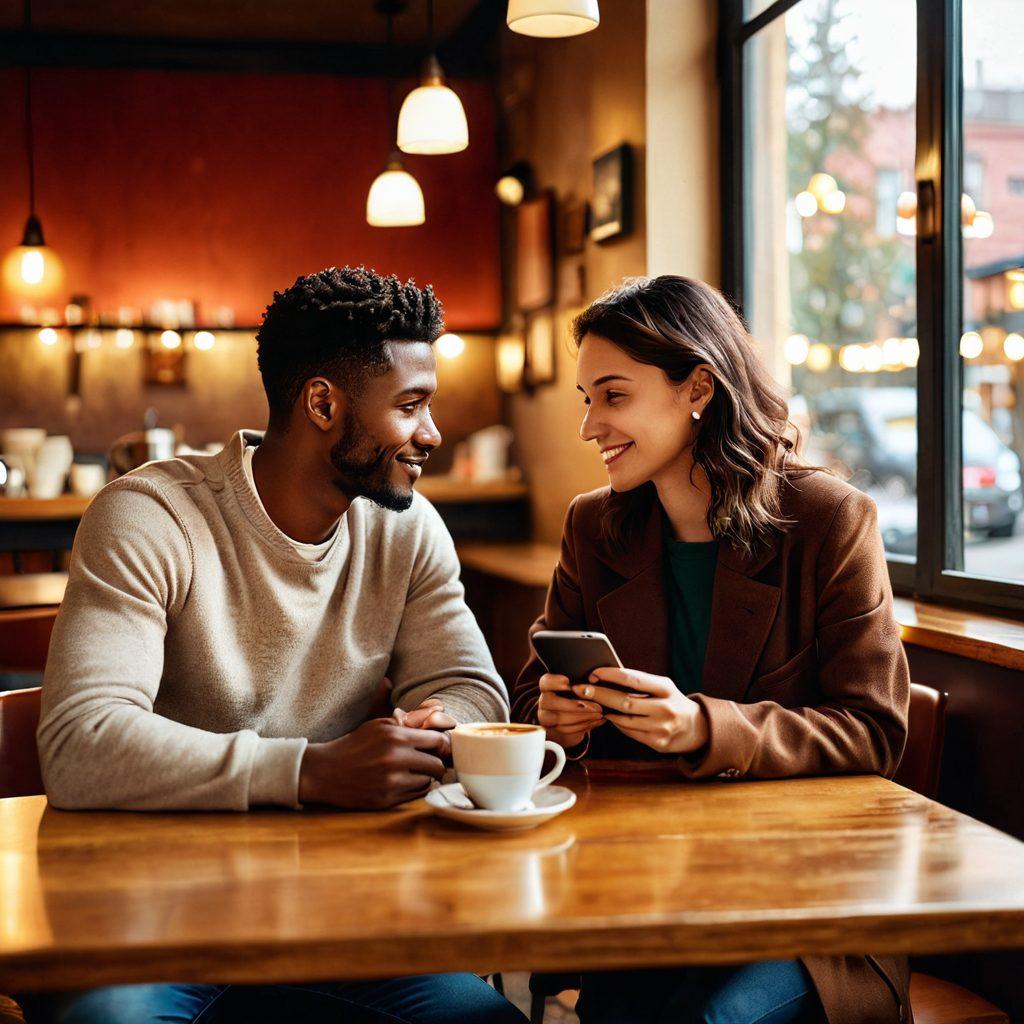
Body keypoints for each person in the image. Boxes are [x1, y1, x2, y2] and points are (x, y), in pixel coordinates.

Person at [30, 267, 525, 1024]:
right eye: (411, 406)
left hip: (344, 908)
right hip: (149, 915)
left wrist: (438, 727)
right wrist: (312, 770)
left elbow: (470, 686)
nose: (431, 434)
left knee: (482, 1021)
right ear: (323, 403)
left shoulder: (406, 527)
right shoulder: (149, 517)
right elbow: (80, 743)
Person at [512, 276, 911, 1024]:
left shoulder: (829, 521)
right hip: (646, 891)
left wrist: (704, 728)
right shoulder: (595, 528)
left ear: (698, 387)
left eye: (613, 396)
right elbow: (529, 698)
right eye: (585, 400)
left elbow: (874, 730)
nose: (589, 426)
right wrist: (552, 718)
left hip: (806, 905)